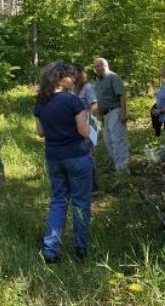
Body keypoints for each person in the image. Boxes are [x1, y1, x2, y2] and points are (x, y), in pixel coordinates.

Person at [34, 61, 92, 264]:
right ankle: (80, 250)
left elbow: (40, 132)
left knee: (58, 201)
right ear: (59, 77)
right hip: (76, 155)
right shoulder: (73, 101)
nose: (75, 79)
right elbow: (84, 131)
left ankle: (50, 252)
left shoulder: (40, 103)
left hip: (53, 157)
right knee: (80, 203)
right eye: (71, 76)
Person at [93, 57, 130, 174]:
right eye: (95, 66)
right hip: (105, 115)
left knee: (118, 140)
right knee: (108, 141)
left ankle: (123, 170)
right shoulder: (98, 80)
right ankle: (118, 166)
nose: (97, 68)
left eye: (99, 65)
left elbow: (122, 95)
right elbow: (99, 97)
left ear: (106, 65)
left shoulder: (113, 77)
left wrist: (124, 113)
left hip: (115, 112)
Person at [73, 64, 99, 191]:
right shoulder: (72, 89)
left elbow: (94, 107)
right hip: (75, 128)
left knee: (87, 154)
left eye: (74, 73)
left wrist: (86, 119)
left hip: (87, 126)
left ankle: (93, 185)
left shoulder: (88, 88)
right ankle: (82, 183)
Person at [151, 65, 165, 137]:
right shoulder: (164, 84)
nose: (161, 71)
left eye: (162, 69)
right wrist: (157, 94)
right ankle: (157, 134)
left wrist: (160, 111)